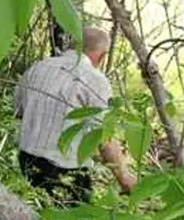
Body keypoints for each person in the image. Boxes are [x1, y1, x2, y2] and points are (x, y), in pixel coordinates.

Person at [14, 26, 137, 206]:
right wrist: (124, 177)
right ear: (102, 56)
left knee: (36, 214)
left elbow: (19, 110)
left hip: (27, 158)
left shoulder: (38, 68)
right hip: (65, 168)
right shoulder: (94, 79)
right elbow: (104, 137)